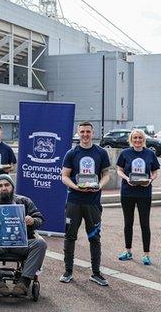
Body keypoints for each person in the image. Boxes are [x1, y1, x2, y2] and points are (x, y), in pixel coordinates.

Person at [0, 174, 46, 297]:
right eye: (0, 186)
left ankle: (24, 283)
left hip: (21, 243)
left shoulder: (24, 201)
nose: (4, 188)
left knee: (41, 244)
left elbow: (40, 218)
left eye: (7, 185)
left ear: (12, 187)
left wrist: (32, 221)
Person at [60, 121, 111, 286]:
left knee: (94, 237)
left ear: (92, 132)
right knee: (70, 237)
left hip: (93, 202)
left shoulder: (101, 152)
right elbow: (64, 176)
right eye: (82, 132)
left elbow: (106, 174)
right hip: (74, 201)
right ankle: (68, 271)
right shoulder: (71, 153)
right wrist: (75, 186)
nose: (85, 134)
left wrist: (99, 186)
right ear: (78, 133)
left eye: (88, 132)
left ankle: (96, 273)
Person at [115, 129, 159, 265]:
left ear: (143, 139)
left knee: (144, 224)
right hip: (128, 192)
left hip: (144, 193)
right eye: (135, 138)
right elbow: (119, 170)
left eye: (140, 138)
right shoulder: (125, 153)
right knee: (128, 223)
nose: (138, 140)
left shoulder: (150, 154)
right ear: (131, 139)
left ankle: (146, 254)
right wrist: (127, 178)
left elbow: (155, 171)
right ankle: (128, 251)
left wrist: (150, 180)